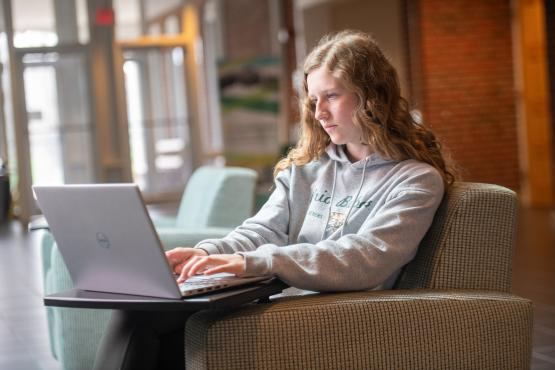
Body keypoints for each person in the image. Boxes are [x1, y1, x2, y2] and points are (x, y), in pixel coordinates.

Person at [93, 30, 456, 370]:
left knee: (161, 328)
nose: (319, 114)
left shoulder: (415, 180)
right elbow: (262, 229)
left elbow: (365, 258)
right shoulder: (308, 169)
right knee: (143, 311)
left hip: (344, 308)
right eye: (314, 100)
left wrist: (252, 263)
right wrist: (208, 252)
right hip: (285, 295)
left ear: (372, 96)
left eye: (332, 96)